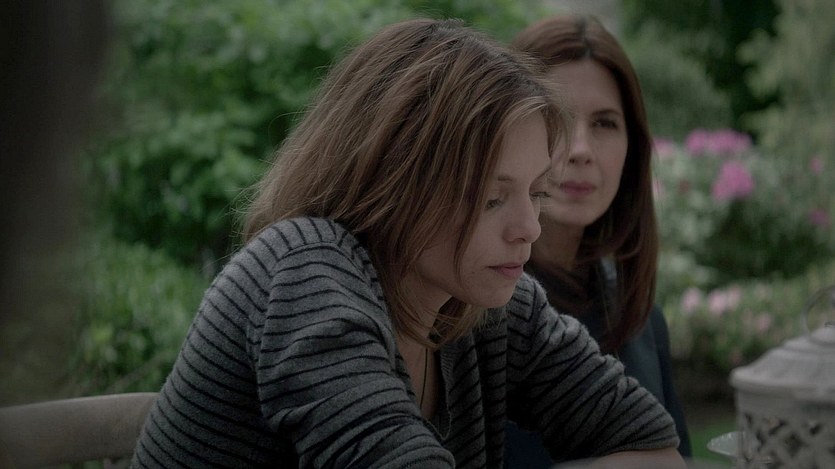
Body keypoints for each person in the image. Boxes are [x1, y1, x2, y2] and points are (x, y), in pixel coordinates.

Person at [131, 18, 685, 468]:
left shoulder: (492, 305)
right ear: (397, 182)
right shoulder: (307, 275)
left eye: (536, 193)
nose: (529, 228)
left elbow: (652, 445)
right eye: (492, 198)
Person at [505, 14, 693, 467]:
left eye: (605, 123)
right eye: (556, 117)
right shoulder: (469, 307)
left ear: (633, 149)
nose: (581, 150)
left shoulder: (640, 319)